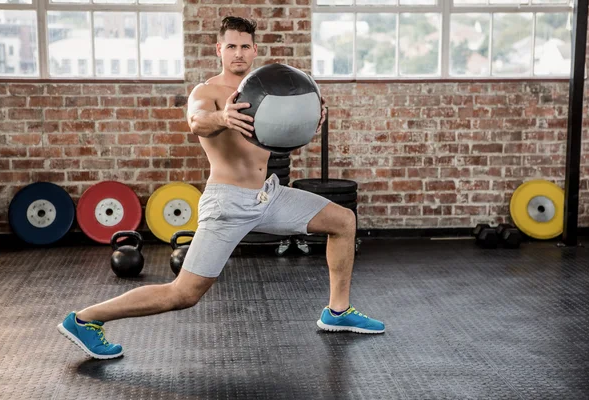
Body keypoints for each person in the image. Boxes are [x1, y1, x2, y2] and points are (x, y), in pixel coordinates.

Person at [57, 16, 384, 360]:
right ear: (219, 49)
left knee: (343, 221)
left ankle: (338, 311)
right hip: (227, 202)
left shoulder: (268, 92)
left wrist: (307, 120)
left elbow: (283, 139)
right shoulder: (208, 92)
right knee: (183, 294)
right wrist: (222, 118)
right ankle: (85, 319)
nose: (238, 53)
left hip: (268, 195)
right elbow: (197, 121)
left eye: (245, 46)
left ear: (255, 49)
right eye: (231, 46)